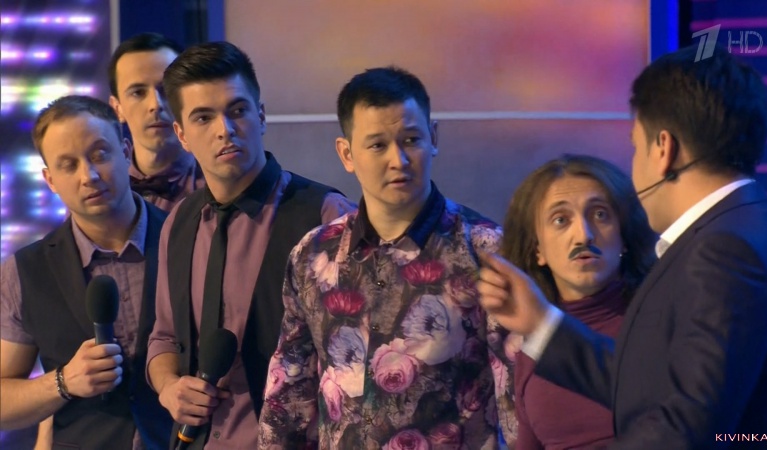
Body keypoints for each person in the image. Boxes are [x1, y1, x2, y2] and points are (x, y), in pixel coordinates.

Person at [477, 44, 767, 448]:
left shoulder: (722, 251)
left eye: (635, 145)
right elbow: (660, 389)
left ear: (663, 149)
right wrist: (542, 325)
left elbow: (684, 427)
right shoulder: (754, 226)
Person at [258, 66, 519, 449]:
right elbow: (289, 392)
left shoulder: (484, 250)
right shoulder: (313, 254)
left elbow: (516, 395)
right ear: (347, 154)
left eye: (410, 139)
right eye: (378, 145)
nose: (398, 159)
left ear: (433, 137)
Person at [146, 41, 354, 449]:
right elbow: (165, 336)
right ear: (182, 135)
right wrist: (169, 386)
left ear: (261, 115)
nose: (224, 129)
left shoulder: (326, 216)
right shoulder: (180, 222)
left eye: (237, 110)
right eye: (203, 117)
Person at [0, 95, 172, 449]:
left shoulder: (188, 239)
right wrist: (62, 382)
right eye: (68, 165)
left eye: (100, 154)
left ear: (126, 152)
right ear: (50, 180)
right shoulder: (26, 271)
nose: (88, 176)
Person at [502, 154, 655, 449]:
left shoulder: (661, 316)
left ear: (624, 236)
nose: (583, 236)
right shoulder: (534, 339)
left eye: (600, 215)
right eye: (561, 220)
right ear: (538, 250)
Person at [109, 32, 205, 211]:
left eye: (166, 90)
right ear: (117, 108)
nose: (155, 104)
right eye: (138, 92)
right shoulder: (100, 189)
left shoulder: (220, 186)